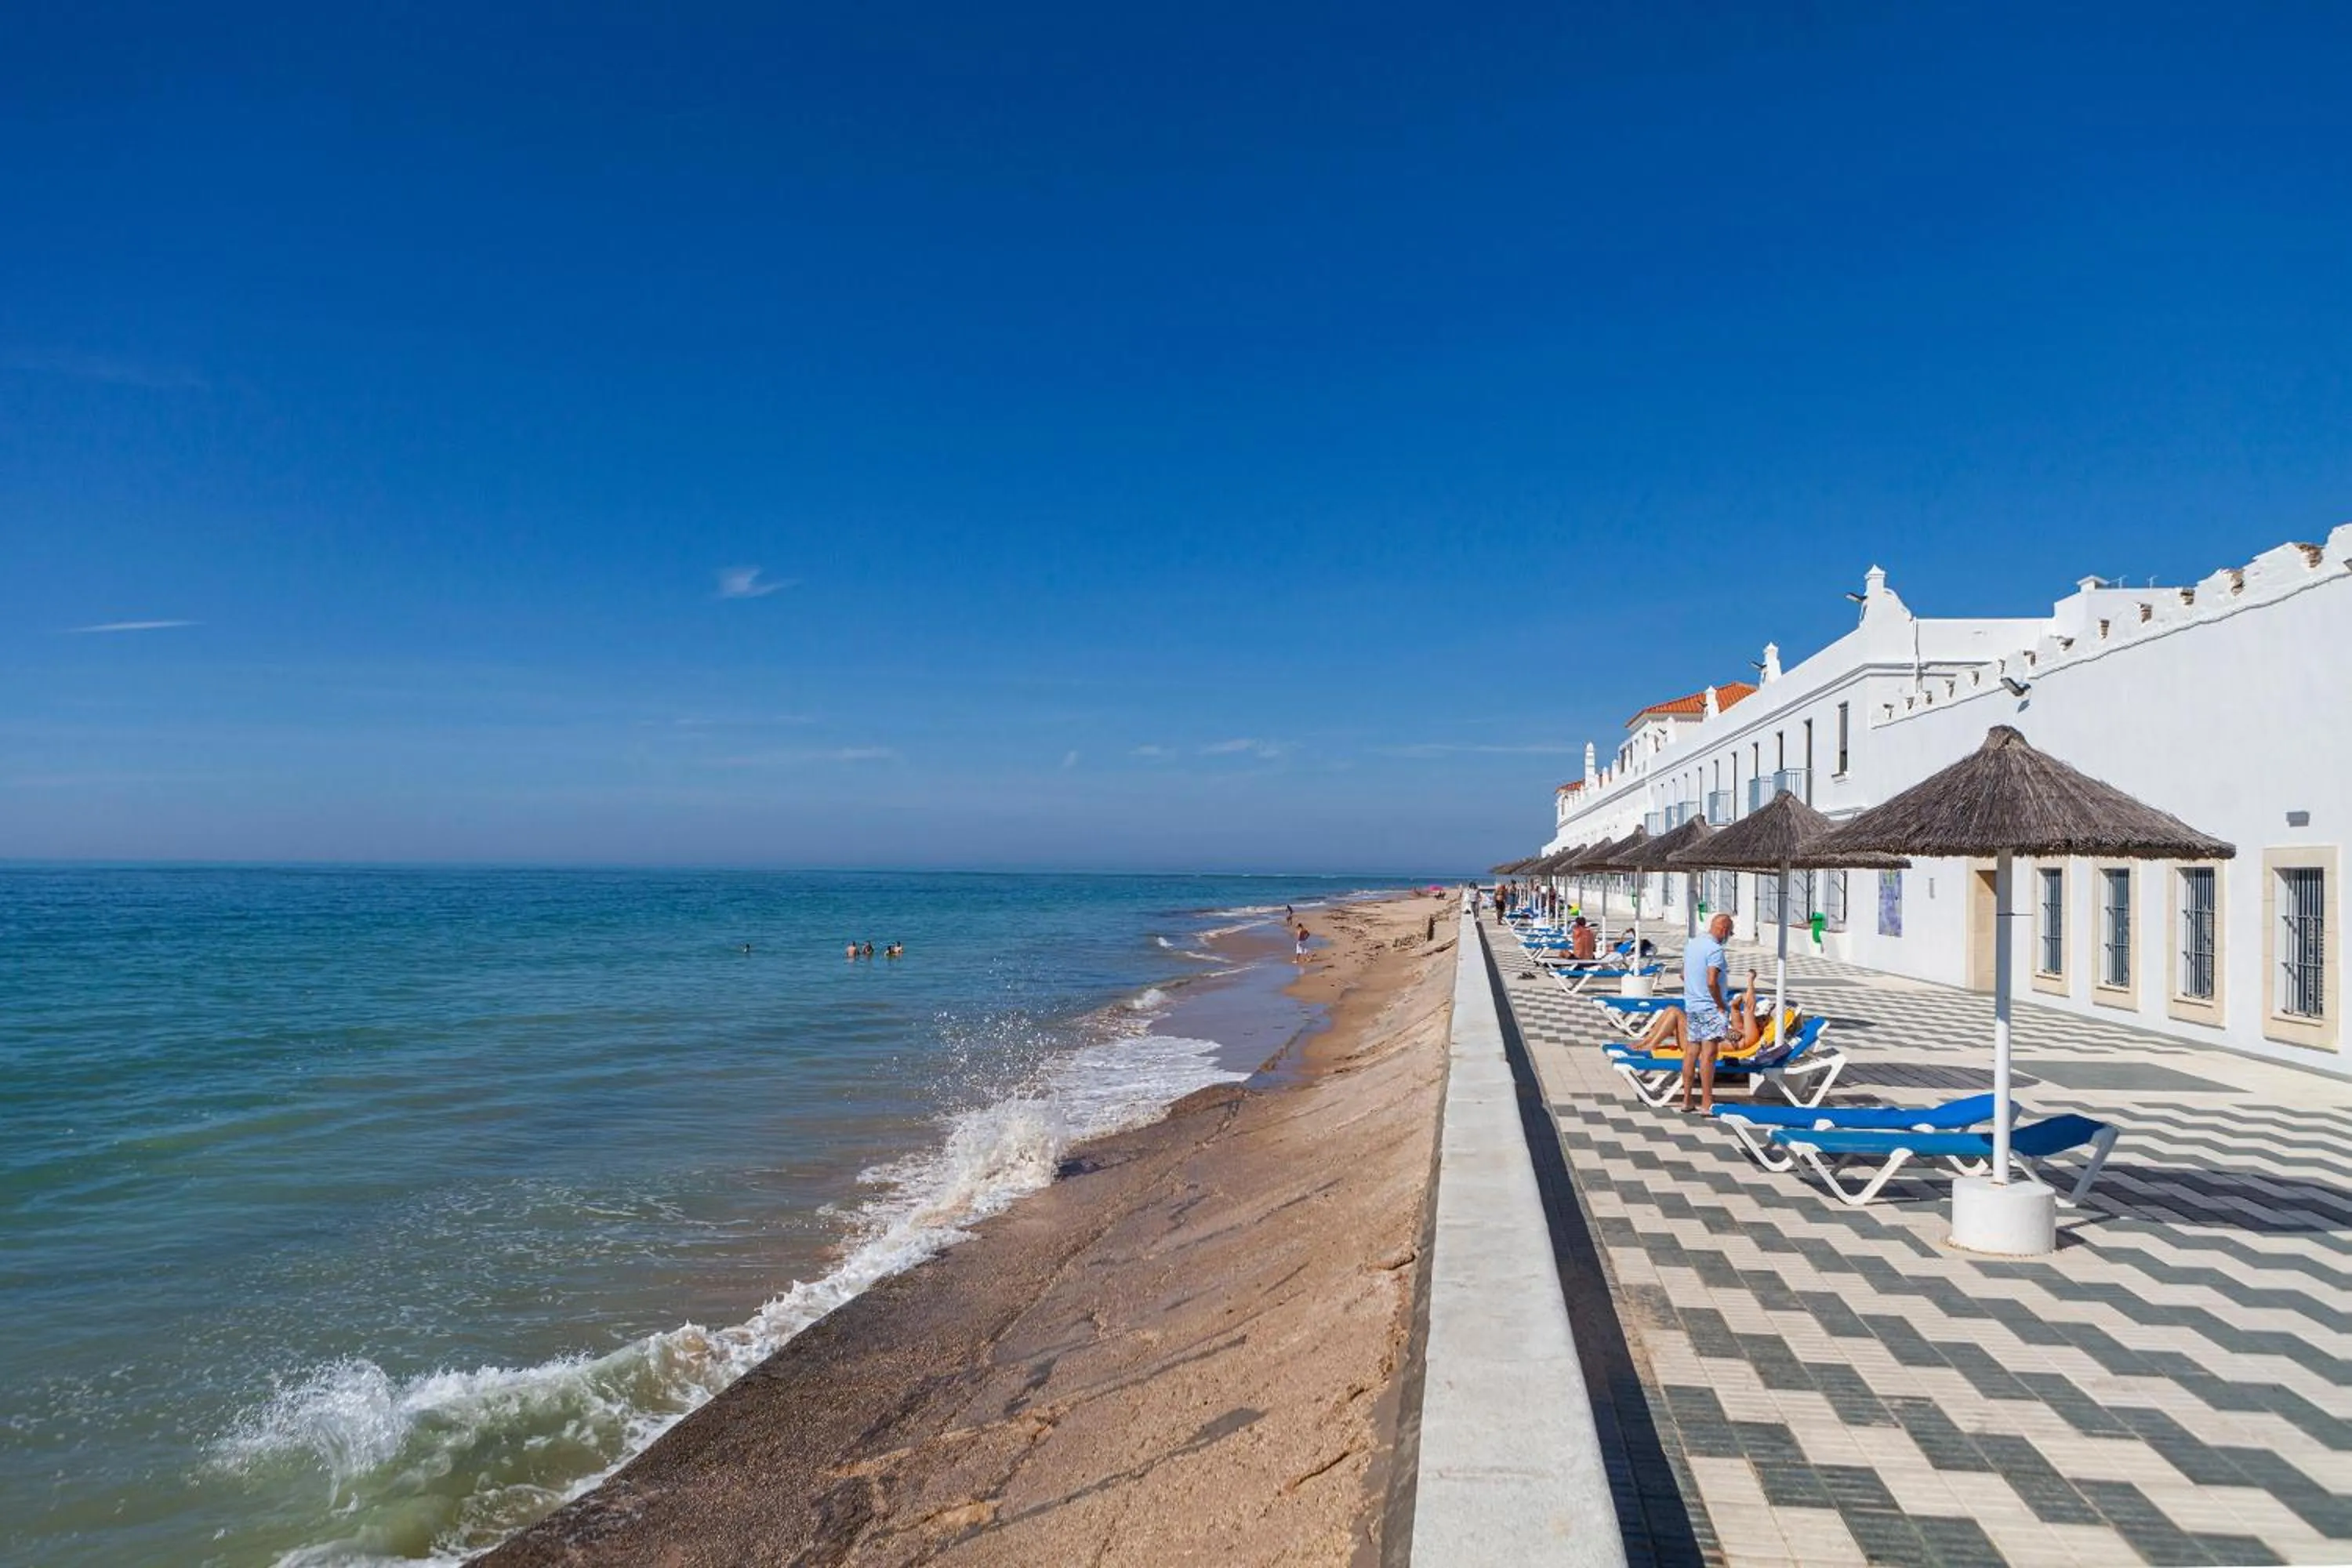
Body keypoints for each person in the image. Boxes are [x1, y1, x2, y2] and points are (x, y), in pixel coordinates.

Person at [1678, 913, 1736, 1113]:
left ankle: (1687, 1100)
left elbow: (1683, 975)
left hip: (1692, 1005)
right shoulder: (1715, 950)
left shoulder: (1692, 944)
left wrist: (1694, 990)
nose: (1729, 937)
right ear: (1724, 930)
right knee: (1709, 1055)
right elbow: (1712, 982)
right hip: (1709, 1007)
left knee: (1691, 1052)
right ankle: (1706, 1102)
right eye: (1730, 933)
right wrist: (1720, 1005)